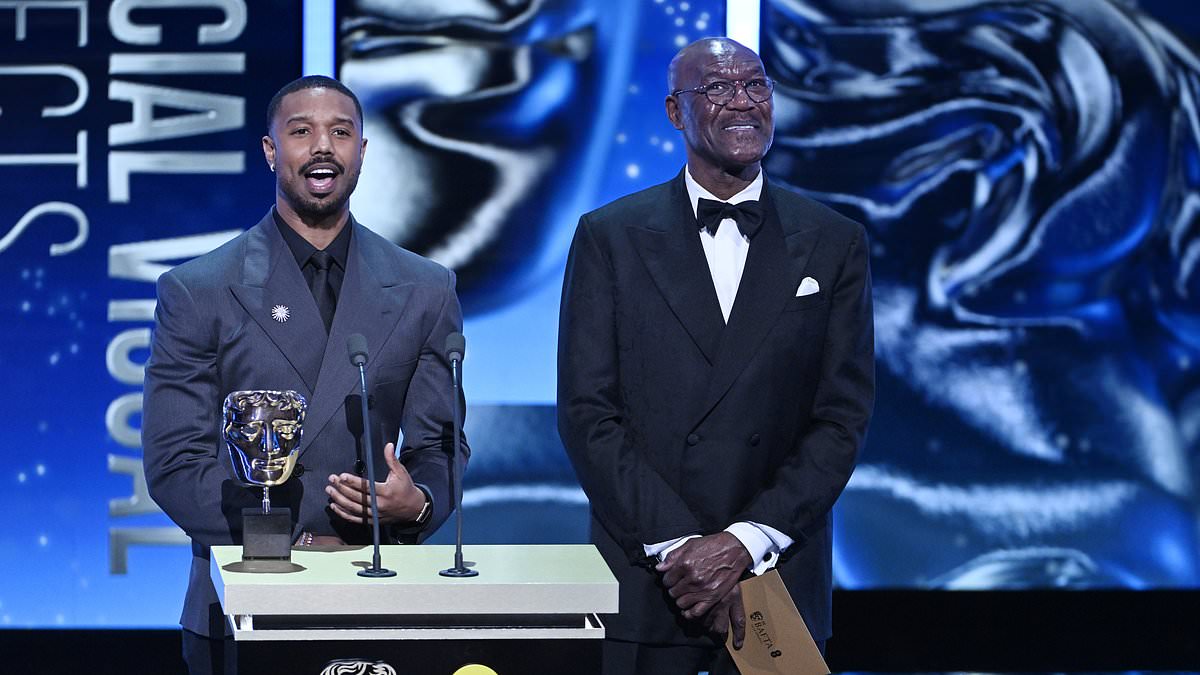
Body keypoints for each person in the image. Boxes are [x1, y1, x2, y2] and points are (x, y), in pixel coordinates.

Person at [557, 38, 874, 674]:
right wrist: (681, 547)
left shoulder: (834, 240)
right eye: (719, 88)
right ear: (676, 112)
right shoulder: (610, 236)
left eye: (756, 86)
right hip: (651, 578)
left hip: (776, 575)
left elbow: (842, 417)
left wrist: (743, 542)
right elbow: (588, 412)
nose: (743, 102)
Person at [142, 75, 468, 675]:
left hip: (379, 591)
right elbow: (176, 463)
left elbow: (440, 445)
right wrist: (288, 542)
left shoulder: (425, 289)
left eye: (340, 133)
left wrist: (417, 503)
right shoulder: (198, 291)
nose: (323, 146)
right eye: (301, 131)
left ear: (362, 152)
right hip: (242, 600)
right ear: (271, 151)